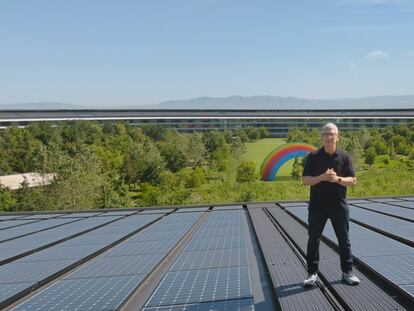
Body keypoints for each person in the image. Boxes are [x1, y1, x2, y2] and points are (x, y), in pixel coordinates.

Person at [302, 123, 360, 287]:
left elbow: (353, 181)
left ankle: (347, 272)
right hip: (317, 207)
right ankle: (312, 273)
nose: (329, 136)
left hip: (339, 206)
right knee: (313, 239)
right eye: (326, 134)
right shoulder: (313, 157)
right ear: (322, 137)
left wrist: (337, 179)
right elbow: (305, 180)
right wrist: (322, 177)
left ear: (337, 137)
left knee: (344, 240)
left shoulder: (345, 157)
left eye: (332, 134)